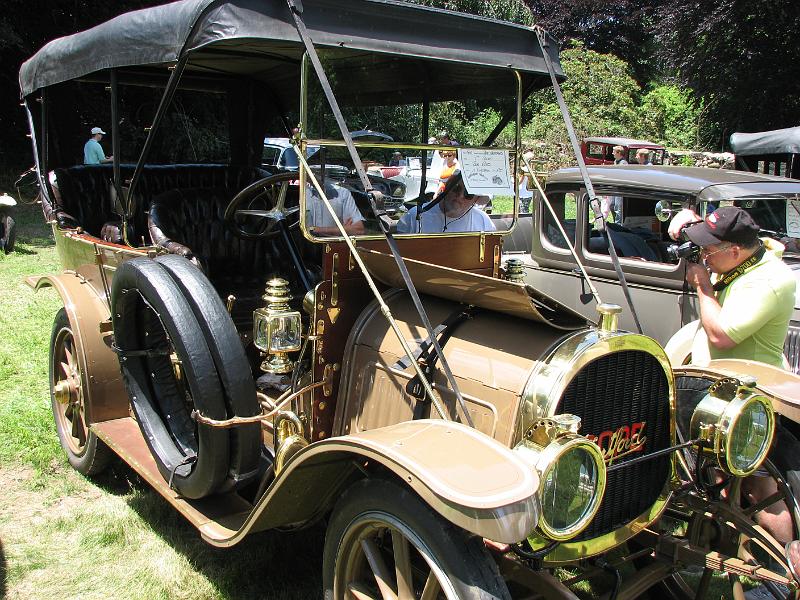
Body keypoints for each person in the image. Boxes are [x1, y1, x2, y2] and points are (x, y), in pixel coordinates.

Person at [669, 205, 799, 580]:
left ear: (735, 251)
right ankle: (720, 536)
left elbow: (721, 335)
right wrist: (684, 220)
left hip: (742, 394)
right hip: (722, 387)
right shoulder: (746, 258)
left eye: (710, 251)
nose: (704, 257)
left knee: (759, 485)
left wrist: (703, 286)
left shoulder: (768, 281)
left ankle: (779, 565)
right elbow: (695, 234)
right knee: (727, 476)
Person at [397, 170, 495, 234]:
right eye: (456, 188)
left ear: (476, 199)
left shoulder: (483, 221)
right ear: (447, 187)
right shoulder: (414, 216)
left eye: (468, 194)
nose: (460, 196)